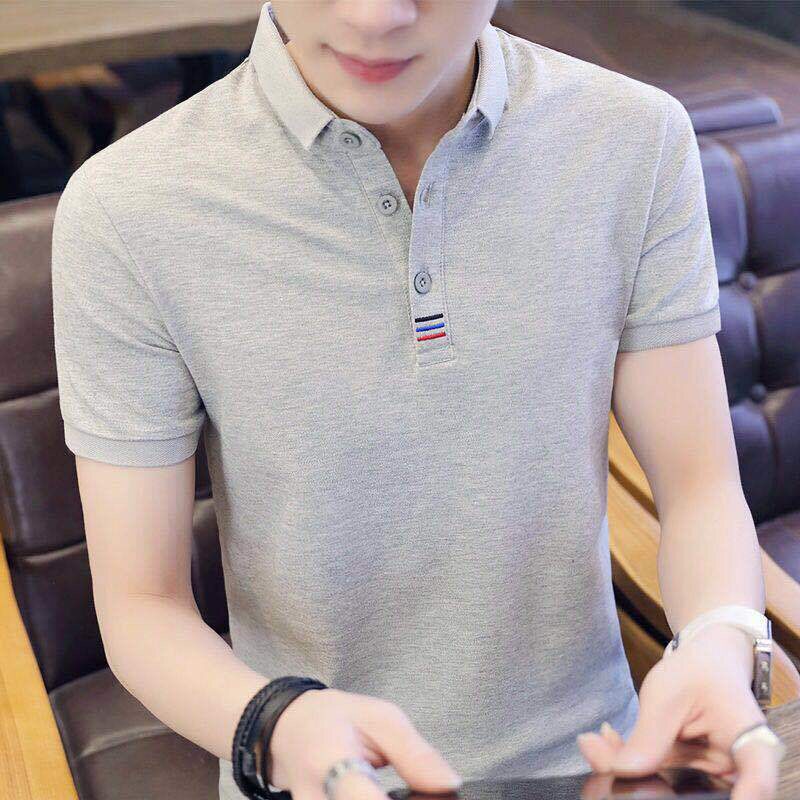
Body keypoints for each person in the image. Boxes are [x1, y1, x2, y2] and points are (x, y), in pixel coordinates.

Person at [50, 2, 785, 800]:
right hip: (312, 775)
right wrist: (279, 725)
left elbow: (700, 489)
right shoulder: (127, 209)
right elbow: (143, 608)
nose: (374, 15)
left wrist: (720, 641)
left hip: (602, 764)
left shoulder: (635, 139)